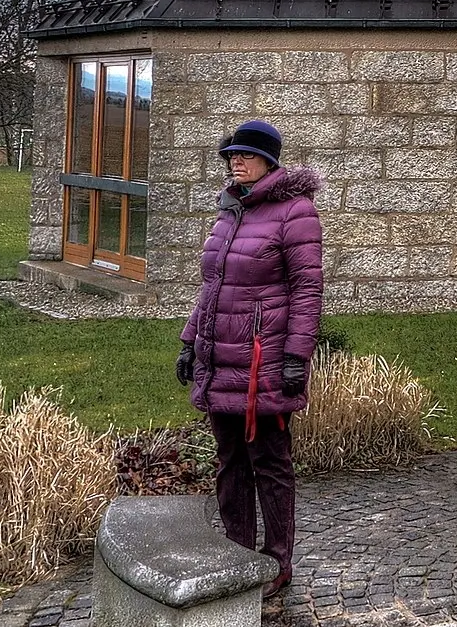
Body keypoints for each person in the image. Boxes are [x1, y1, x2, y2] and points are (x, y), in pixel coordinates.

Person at [177, 118, 324, 596]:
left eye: (244, 155)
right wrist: (188, 341)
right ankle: (236, 557)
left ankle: (277, 561)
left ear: (270, 161)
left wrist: (296, 357)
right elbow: (212, 287)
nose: (234, 161)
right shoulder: (229, 211)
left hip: (265, 361)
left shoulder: (295, 212)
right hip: (220, 356)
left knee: (270, 462)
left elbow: (307, 291)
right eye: (230, 155)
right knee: (229, 462)